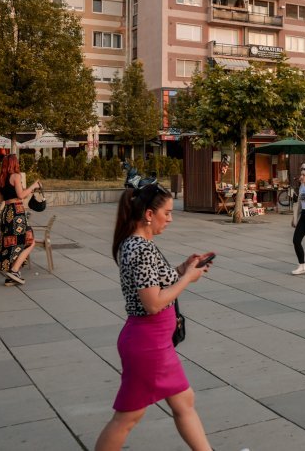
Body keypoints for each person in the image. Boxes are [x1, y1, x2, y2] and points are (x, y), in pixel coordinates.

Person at [95, 182, 212, 451]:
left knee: (184, 402)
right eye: (167, 213)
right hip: (148, 343)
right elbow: (153, 302)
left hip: (153, 341)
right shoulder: (141, 248)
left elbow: (154, 281)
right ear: (149, 214)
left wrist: (184, 267)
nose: (170, 219)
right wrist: (188, 279)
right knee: (127, 417)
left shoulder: (136, 244)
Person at [0, 154, 42, 286]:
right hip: (17, 212)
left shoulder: (1, 178)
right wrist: (33, 186)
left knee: (11, 242)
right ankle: (15, 270)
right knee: (29, 241)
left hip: (6, 212)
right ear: (14, 163)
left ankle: (11, 275)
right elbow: (21, 195)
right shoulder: (16, 176)